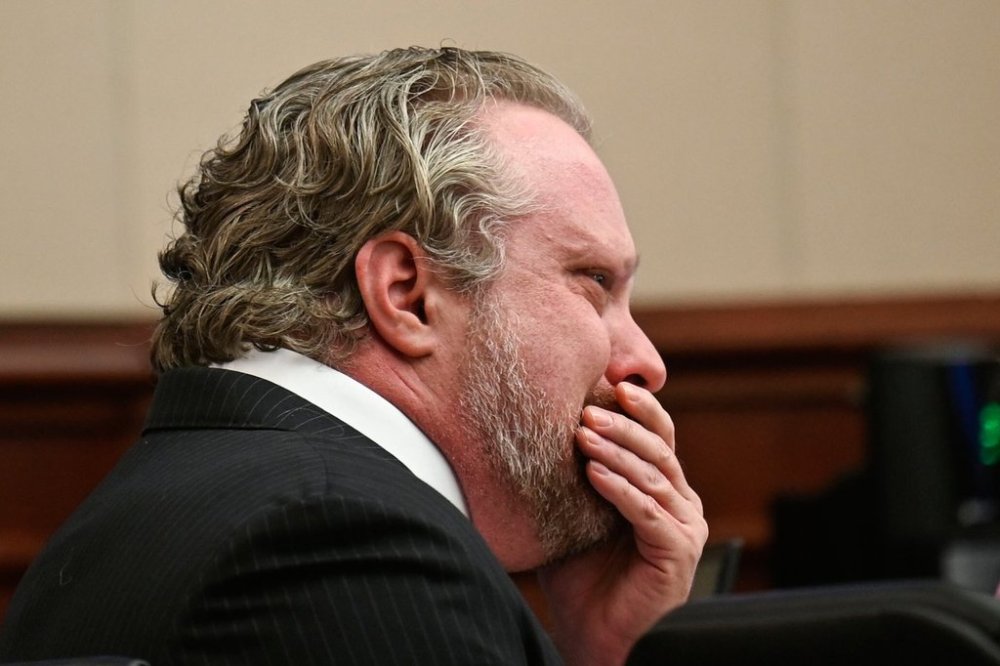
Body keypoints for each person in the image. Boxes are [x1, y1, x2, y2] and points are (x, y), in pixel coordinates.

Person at [0, 47, 707, 665]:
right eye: (594, 283)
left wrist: (605, 653)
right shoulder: (345, 541)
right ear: (405, 294)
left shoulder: (172, 500)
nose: (645, 361)